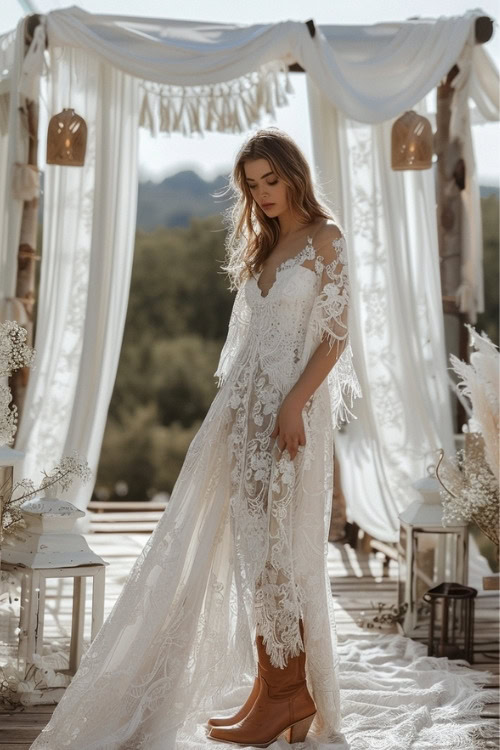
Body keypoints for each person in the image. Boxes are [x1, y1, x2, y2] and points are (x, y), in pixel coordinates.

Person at [29, 127, 362, 750]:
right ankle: (272, 689)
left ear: (294, 174)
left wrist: (294, 404)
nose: (263, 194)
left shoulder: (326, 239)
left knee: (278, 553)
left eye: (271, 179)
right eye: (252, 184)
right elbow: (247, 347)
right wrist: (232, 416)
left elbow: (336, 340)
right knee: (250, 549)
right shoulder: (265, 246)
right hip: (242, 414)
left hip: (290, 417)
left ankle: (292, 692)